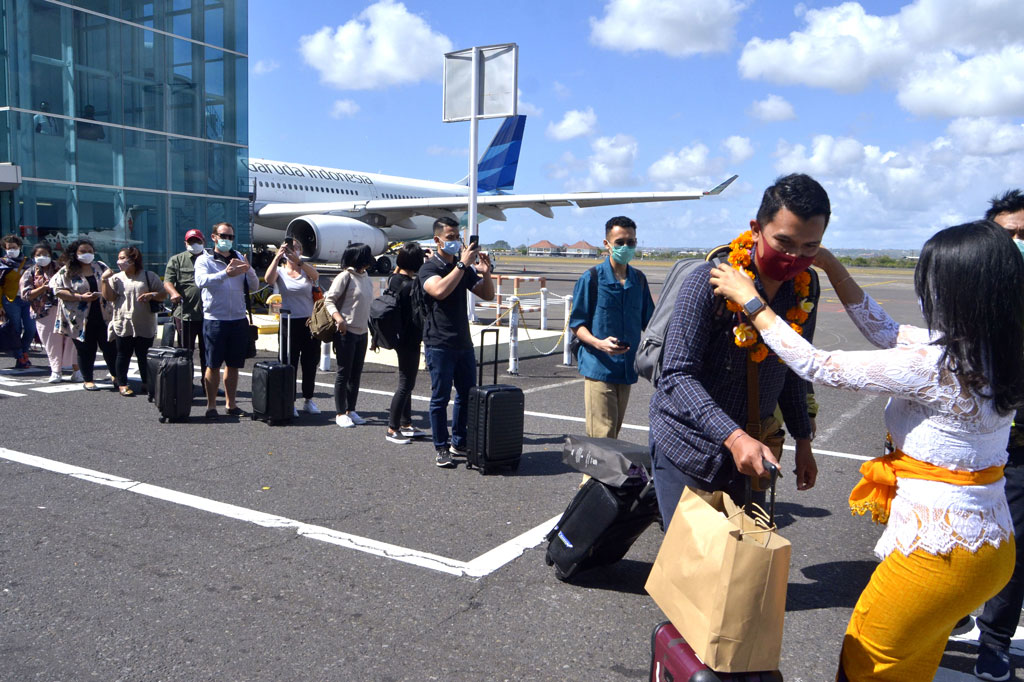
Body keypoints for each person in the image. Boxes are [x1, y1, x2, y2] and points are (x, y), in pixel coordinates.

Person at [710, 221, 1024, 682]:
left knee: (867, 660)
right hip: (990, 546)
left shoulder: (935, 365)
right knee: (914, 660)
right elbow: (887, 329)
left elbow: (816, 365)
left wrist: (750, 301)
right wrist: (831, 264)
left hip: (942, 552)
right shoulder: (994, 348)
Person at [649, 173, 824, 521]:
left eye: (809, 248)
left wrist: (803, 441)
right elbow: (677, 374)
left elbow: (793, 368)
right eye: (784, 243)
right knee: (696, 565)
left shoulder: (805, 289)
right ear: (756, 230)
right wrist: (733, 437)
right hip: (689, 447)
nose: (793, 257)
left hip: (753, 451)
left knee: (743, 563)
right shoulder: (708, 281)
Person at [971, 188, 1024, 682]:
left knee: (1016, 551)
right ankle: (979, 632)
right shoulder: (979, 298)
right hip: (991, 446)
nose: (1018, 244)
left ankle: (995, 641)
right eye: (1010, 235)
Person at [419, 217, 495, 468]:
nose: (455, 242)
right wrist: (462, 264)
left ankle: (459, 441)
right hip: (439, 342)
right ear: (437, 240)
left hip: (463, 341)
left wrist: (486, 273)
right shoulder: (430, 268)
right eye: (450, 238)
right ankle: (441, 447)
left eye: (457, 238)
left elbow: (486, 294)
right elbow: (439, 290)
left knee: (466, 394)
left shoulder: (462, 269)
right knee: (440, 398)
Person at [569, 216, 654, 439]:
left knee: (612, 434)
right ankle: (593, 476)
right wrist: (600, 343)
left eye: (631, 242)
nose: (626, 247)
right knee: (602, 438)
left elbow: (652, 323)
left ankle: (598, 475)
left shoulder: (639, 280)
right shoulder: (592, 279)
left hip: (626, 370)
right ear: (606, 244)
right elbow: (577, 325)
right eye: (620, 242)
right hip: (600, 367)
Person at [194, 221, 258, 418]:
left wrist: (249, 269)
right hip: (215, 318)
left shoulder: (238, 256)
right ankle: (211, 406)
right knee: (212, 364)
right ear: (214, 237)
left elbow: (254, 286)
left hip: (238, 318)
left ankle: (231, 405)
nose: (227, 240)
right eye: (223, 236)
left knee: (234, 364)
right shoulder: (204, 259)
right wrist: (225, 273)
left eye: (230, 237)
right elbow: (201, 282)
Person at [264, 237, 321, 416]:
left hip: (309, 322)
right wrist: (277, 257)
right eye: (288, 248)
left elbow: (316, 277)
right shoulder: (280, 271)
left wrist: (300, 262)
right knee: (289, 362)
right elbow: (268, 279)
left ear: (300, 251)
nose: (291, 251)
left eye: (295, 248)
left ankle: (308, 399)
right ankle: (289, 401)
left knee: (310, 362)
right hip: (289, 321)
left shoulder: (306, 269)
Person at [51, 238, 116, 391]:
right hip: (78, 318)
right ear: (75, 253)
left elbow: (113, 283)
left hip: (103, 314)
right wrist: (80, 297)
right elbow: (58, 291)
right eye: (83, 251)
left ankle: (116, 375)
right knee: (86, 349)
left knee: (110, 347)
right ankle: (88, 379)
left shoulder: (100, 266)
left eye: (90, 251)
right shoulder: (66, 270)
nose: (87, 254)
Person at [101, 246, 164, 396]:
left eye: (123, 258)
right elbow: (109, 297)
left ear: (133, 259)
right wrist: (104, 280)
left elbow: (162, 294)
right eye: (119, 258)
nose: (119, 261)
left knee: (144, 355)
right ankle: (122, 383)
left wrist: (151, 295)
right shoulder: (116, 278)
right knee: (123, 353)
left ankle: (146, 382)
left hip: (144, 321)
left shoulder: (149, 276)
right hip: (123, 321)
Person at [325, 243, 374, 428]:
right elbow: (329, 299)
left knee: (356, 373)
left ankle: (350, 409)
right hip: (346, 332)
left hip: (362, 332)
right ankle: (340, 412)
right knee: (343, 373)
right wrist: (339, 319)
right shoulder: (345, 276)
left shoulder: (365, 276)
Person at [385, 241, 428, 444]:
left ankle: (406, 423)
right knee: (406, 383)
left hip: (398, 336)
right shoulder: (412, 285)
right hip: (410, 338)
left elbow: (400, 272)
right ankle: (393, 428)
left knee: (406, 381)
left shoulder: (394, 279)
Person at [18, 242, 78, 382]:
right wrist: (43, 288)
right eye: (39, 255)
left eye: (45, 254)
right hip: (43, 311)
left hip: (65, 308)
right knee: (52, 342)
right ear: (33, 256)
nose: (42, 257)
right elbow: (26, 295)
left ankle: (77, 370)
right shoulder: (30, 272)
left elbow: (74, 284)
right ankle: (56, 371)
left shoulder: (62, 269)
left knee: (71, 339)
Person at [164, 228, 208, 386]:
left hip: (208, 315)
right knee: (185, 352)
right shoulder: (177, 260)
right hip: (185, 314)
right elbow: (168, 281)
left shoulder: (210, 259)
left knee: (208, 353)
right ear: (185, 243)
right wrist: (173, 292)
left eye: (197, 241)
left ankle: (208, 383)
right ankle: (186, 385)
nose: (194, 244)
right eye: (191, 242)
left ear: (203, 242)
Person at [0, 234, 35, 368]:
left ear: (19, 247)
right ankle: (20, 357)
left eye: (14, 247)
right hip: (10, 300)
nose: (11, 250)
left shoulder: (29, 262)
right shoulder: (2, 263)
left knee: (31, 328)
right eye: (9, 248)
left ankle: (24, 352)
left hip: (27, 299)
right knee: (15, 329)